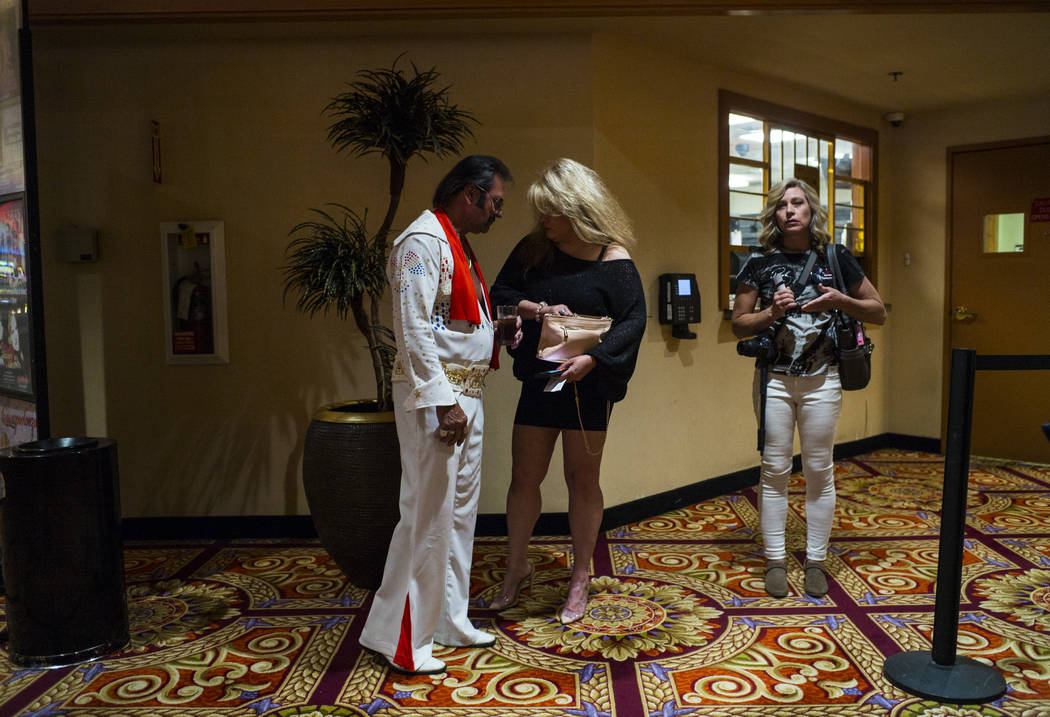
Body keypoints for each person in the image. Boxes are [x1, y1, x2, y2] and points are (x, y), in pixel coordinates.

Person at [358, 155, 514, 675]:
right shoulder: (422, 242)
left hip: (467, 395)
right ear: (469, 194)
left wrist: (501, 329)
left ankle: (448, 619)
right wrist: (444, 401)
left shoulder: (457, 244)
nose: (497, 214)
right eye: (494, 202)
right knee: (426, 516)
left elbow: (455, 321)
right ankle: (399, 639)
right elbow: (414, 328)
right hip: (438, 401)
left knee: (458, 516)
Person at [489, 158, 646, 624]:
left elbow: (634, 321)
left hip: (587, 386)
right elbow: (500, 290)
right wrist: (535, 309)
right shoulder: (534, 248)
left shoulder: (612, 258)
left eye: (550, 212)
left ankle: (581, 575)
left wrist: (593, 359)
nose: (542, 221)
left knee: (582, 482)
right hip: (541, 378)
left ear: (576, 208)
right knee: (524, 477)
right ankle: (517, 566)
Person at [731, 177, 886, 599]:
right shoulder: (758, 262)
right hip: (775, 381)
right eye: (782, 205)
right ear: (774, 215)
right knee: (774, 470)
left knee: (819, 469)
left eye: (798, 203)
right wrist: (769, 313)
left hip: (824, 380)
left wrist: (841, 301)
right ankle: (777, 560)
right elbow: (737, 324)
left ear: (811, 210)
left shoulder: (835, 257)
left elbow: (878, 311)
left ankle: (816, 560)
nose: (791, 211)